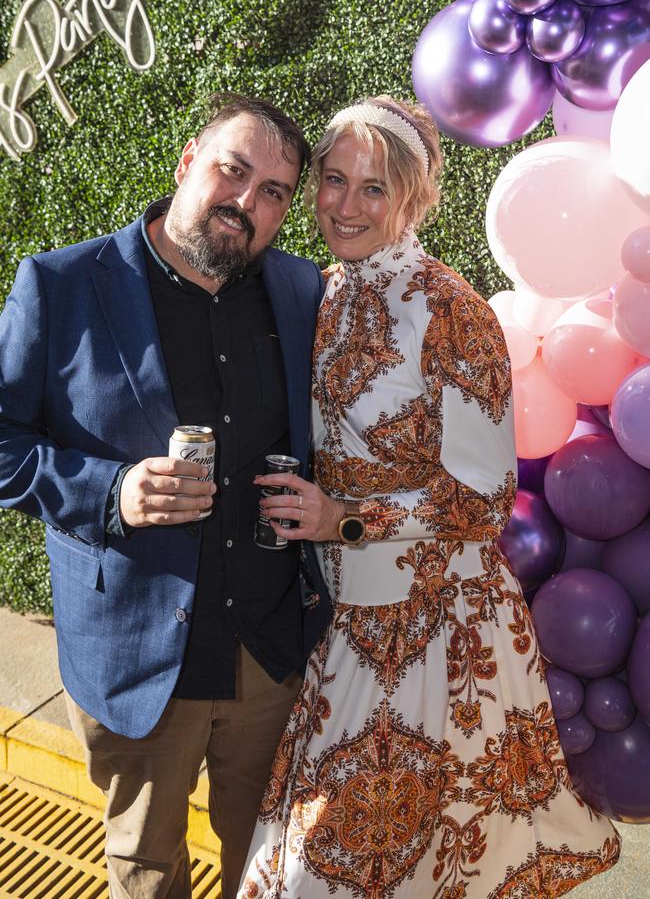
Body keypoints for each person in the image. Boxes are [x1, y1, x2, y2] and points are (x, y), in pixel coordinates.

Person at [238, 96, 621, 897]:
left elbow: (484, 503)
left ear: (416, 198)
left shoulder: (454, 313)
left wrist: (341, 517)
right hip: (349, 623)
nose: (344, 205)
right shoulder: (328, 293)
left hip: (440, 632)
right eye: (334, 181)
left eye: (373, 189)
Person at [0, 92, 331, 899]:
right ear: (188, 162)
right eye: (234, 170)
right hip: (136, 657)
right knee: (148, 873)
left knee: (269, 867)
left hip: (269, 654)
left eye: (274, 193)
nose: (246, 203)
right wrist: (111, 492)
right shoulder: (61, 284)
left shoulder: (302, 291)